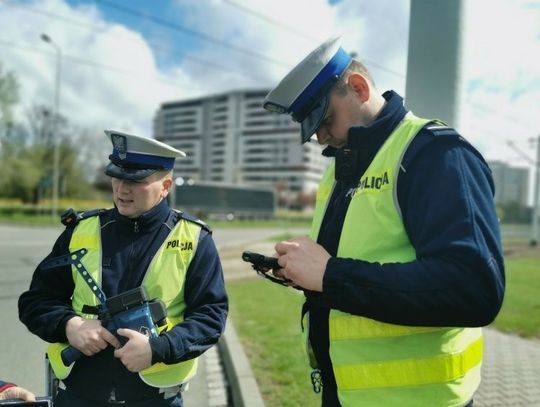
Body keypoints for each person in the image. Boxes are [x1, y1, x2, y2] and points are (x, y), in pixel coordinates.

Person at [263, 37, 505, 406]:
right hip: (345, 393)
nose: (320, 137)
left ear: (358, 88)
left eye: (324, 120)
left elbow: (474, 290)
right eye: (311, 130)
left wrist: (330, 275)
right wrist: (303, 270)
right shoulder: (340, 168)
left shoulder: (436, 154)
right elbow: (355, 261)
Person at [18, 130, 228, 407]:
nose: (122, 189)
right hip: (78, 395)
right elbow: (36, 302)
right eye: (117, 176)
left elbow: (210, 316)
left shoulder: (195, 239)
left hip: (155, 399)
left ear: (166, 186)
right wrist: (69, 325)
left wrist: (158, 349)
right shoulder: (81, 231)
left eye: (136, 180)